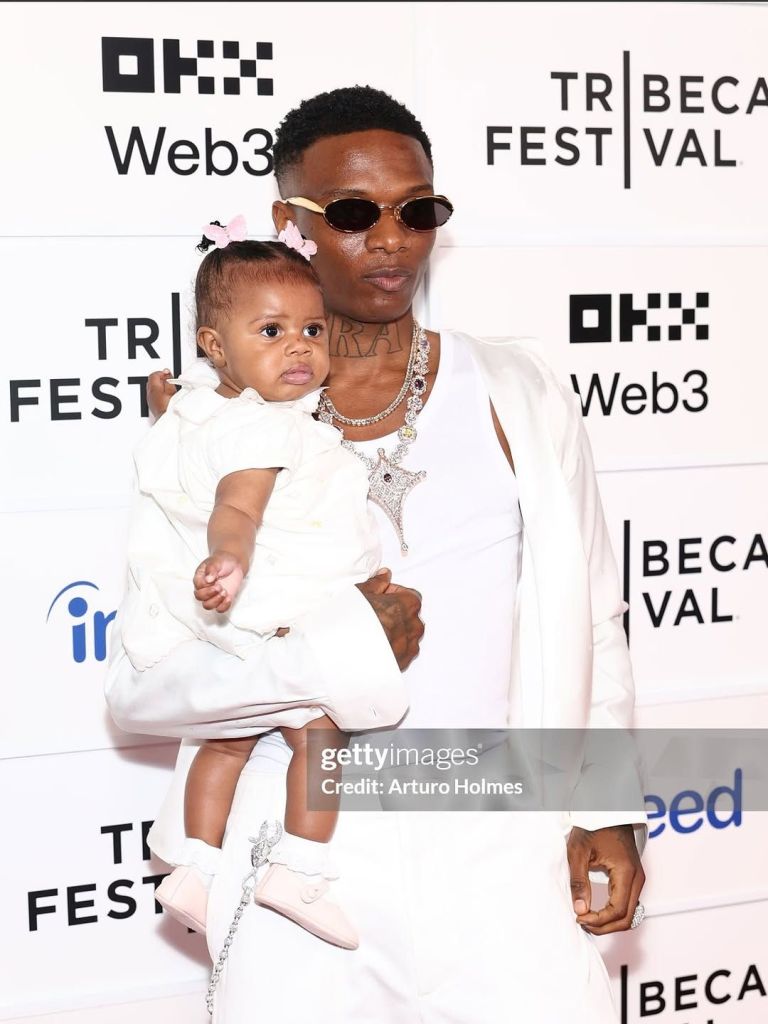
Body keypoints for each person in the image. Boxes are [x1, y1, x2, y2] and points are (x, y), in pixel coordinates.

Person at [105, 86, 648, 1023]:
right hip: (298, 851)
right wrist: (342, 654)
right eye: (354, 213)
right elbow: (142, 689)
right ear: (291, 222)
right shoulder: (207, 431)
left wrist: (604, 802)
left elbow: (594, 612)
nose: (392, 239)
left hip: (498, 840)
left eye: (418, 210)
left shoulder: (517, 389)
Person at [115, 226, 410, 949]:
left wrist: (168, 403)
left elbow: (195, 448)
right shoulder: (265, 429)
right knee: (322, 739)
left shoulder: (211, 408)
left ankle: (193, 866)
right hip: (281, 606)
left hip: (238, 618)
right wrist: (230, 558)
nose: (300, 348)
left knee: (225, 740)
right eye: (272, 332)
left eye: (313, 329)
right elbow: (238, 508)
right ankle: (299, 869)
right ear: (215, 346)